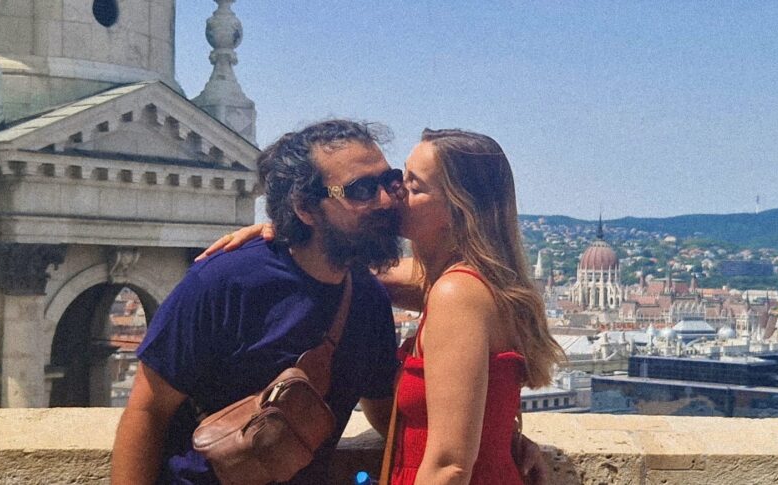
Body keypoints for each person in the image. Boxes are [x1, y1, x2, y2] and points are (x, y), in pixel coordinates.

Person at [203, 128, 563, 484]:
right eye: (398, 178)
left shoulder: (456, 293)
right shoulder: (463, 282)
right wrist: (298, 229)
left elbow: (449, 466)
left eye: (413, 186)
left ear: (457, 210)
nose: (393, 194)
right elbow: (349, 267)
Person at [111, 119, 406, 484]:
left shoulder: (368, 300)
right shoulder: (223, 282)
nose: (386, 200)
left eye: (390, 181)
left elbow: (386, 414)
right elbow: (147, 411)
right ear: (305, 207)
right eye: (361, 189)